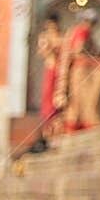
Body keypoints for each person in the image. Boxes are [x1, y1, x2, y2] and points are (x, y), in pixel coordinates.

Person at [31, 16, 64, 149]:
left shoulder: (62, 37)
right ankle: (49, 135)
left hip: (60, 72)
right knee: (49, 103)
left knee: (59, 104)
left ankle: (58, 134)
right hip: (51, 70)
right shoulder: (45, 38)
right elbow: (43, 52)